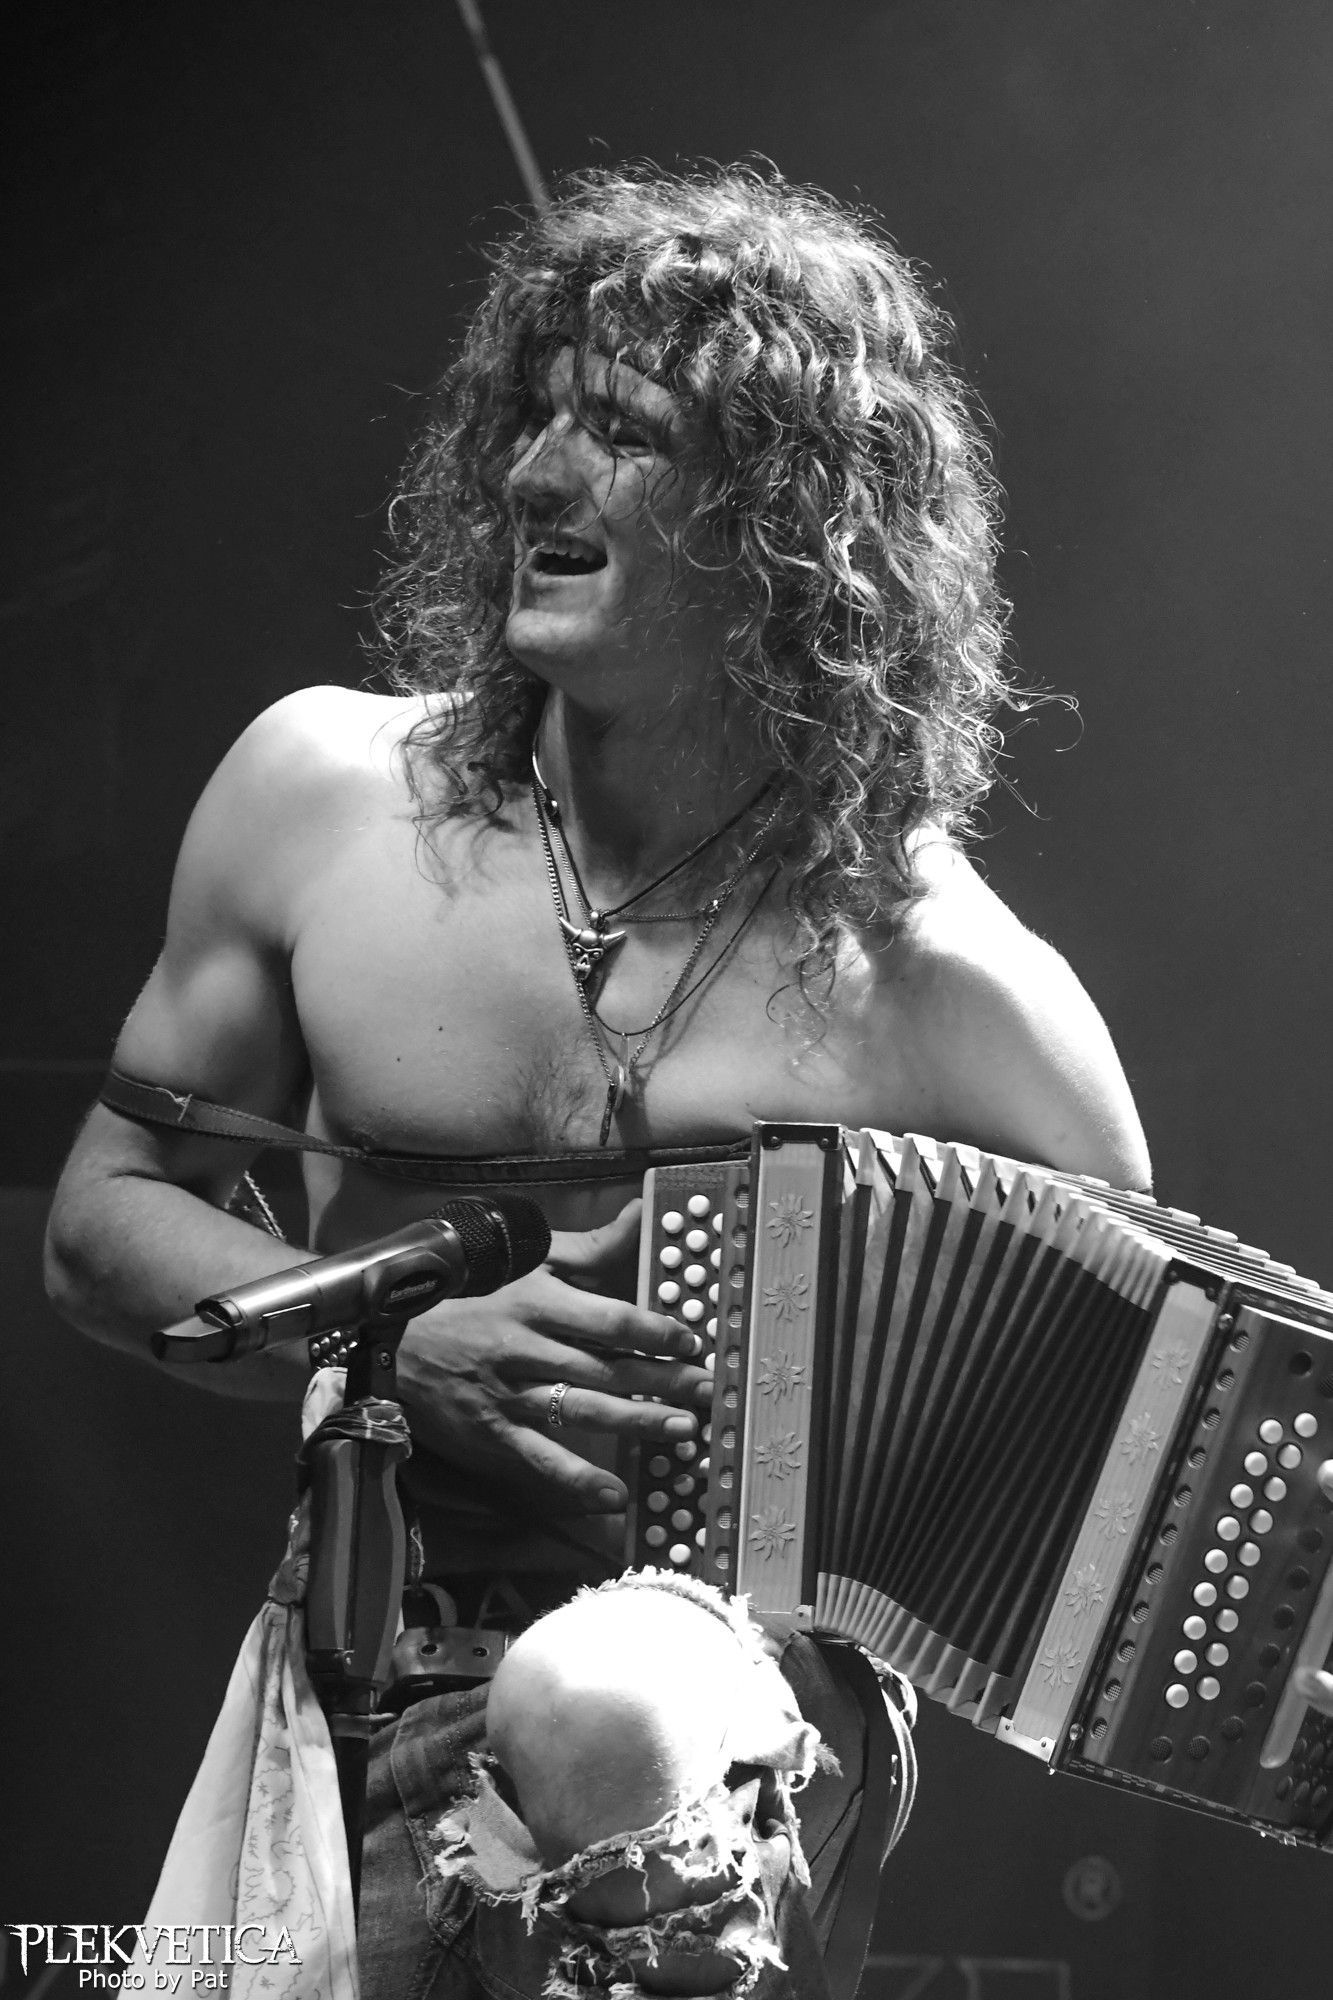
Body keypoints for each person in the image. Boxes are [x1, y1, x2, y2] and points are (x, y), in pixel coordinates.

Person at [45, 164, 1151, 2000]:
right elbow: (98, 1225)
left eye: (620, 433)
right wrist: (378, 1348)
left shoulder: (942, 975)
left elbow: (1149, 1434)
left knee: (598, 1693)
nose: (534, 476)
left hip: (740, 1699)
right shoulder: (321, 800)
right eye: (533, 415)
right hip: (366, 1650)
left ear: (785, 519)